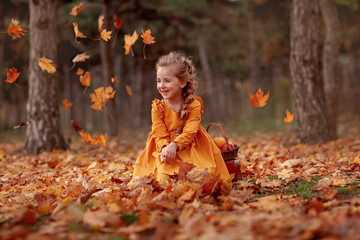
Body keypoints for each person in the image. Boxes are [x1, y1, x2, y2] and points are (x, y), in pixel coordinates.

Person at [131, 51, 231, 185]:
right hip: (165, 150)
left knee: (201, 178)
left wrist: (175, 145)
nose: (161, 85)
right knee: (162, 180)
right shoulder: (157, 107)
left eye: (167, 81)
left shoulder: (193, 104)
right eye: (158, 81)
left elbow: (190, 131)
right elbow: (159, 132)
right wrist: (166, 148)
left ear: (182, 83)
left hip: (191, 147)